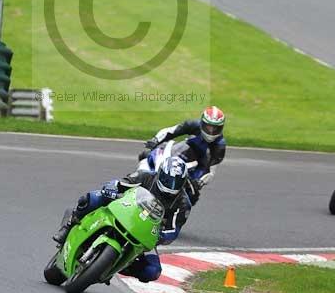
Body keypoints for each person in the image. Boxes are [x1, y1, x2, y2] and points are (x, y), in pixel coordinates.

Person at [53, 155, 191, 283]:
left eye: (177, 183)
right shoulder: (145, 176)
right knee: (92, 198)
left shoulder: (183, 204)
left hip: (147, 233)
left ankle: (118, 266)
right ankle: (68, 225)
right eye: (168, 181)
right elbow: (122, 182)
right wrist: (112, 187)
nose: (171, 186)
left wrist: (159, 236)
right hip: (125, 210)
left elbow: (173, 230)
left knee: (152, 271)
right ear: (160, 173)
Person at [139, 106, 227, 198]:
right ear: (202, 123)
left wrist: (199, 182)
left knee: (192, 194)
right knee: (146, 155)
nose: (211, 131)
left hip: (197, 166)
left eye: (215, 128)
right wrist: (155, 140)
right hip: (182, 151)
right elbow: (172, 131)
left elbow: (211, 170)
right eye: (209, 127)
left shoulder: (219, 146)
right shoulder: (193, 125)